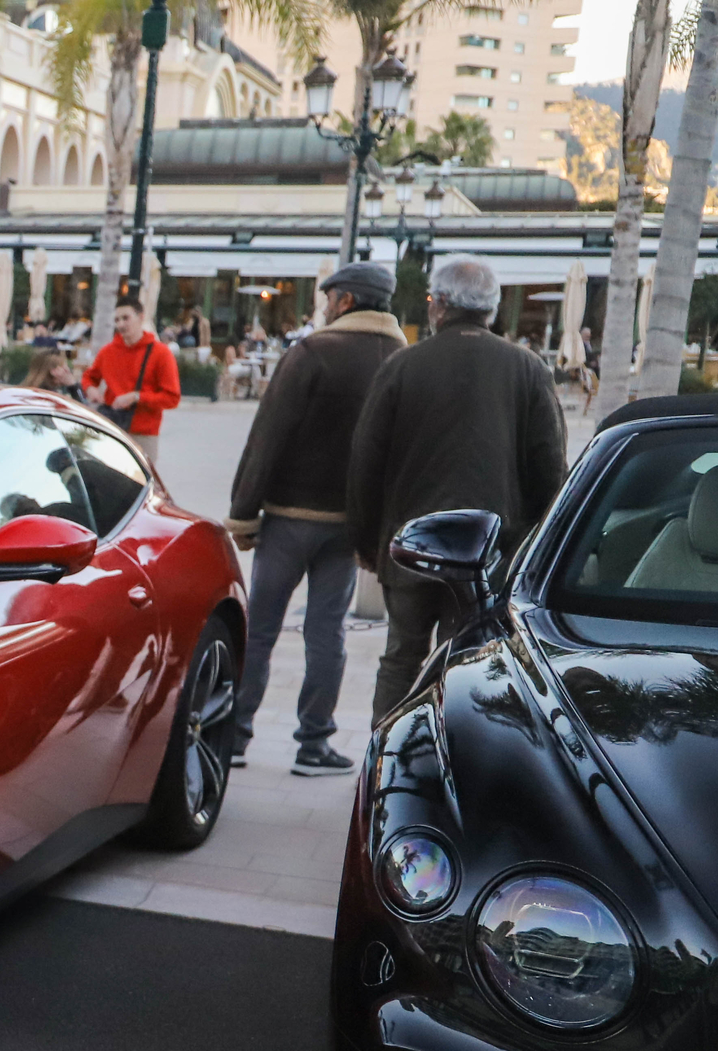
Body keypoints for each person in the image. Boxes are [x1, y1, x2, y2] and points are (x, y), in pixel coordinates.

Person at [347, 254, 568, 723]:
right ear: (491, 308)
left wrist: (368, 544)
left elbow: (365, 464)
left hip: (409, 548)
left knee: (402, 657)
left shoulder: (402, 366)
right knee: (472, 664)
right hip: (490, 555)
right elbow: (550, 468)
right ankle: (456, 762)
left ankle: (385, 755)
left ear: (439, 305)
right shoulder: (526, 369)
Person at [223, 261, 408, 776]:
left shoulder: (310, 353)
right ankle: (314, 744)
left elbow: (267, 438)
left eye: (328, 298)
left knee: (259, 629)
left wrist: (242, 515)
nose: (324, 307)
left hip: (288, 518)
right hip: (348, 526)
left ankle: (234, 737)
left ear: (345, 301)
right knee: (328, 634)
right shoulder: (400, 359)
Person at [80, 299, 182, 462]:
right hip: (111, 428)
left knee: (141, 483)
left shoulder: (161, 353)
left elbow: (172, 398)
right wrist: (90, 388)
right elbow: (88, 377)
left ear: (141, 317)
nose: (121, 324)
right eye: (117, 320)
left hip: (143, 434)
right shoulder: (108, 352)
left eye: (126, 318)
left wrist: (137, 397)